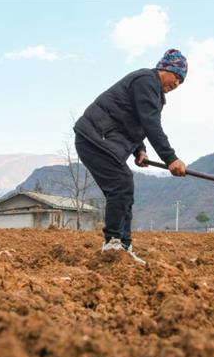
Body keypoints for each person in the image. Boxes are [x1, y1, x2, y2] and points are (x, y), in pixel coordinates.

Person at [73, 49, 188, 254]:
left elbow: (135, 123)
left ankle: (123, 246)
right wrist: (171, 158)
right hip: (94, 136)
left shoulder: (152, 90)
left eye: (181, 82)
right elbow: (151, 124)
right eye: (177, 76)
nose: (177, 84)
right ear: (164, 68)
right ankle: (114, 242)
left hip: (101, 139)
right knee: (121, 183)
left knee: (123, 188)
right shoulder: (146, 81)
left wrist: (139, 151)